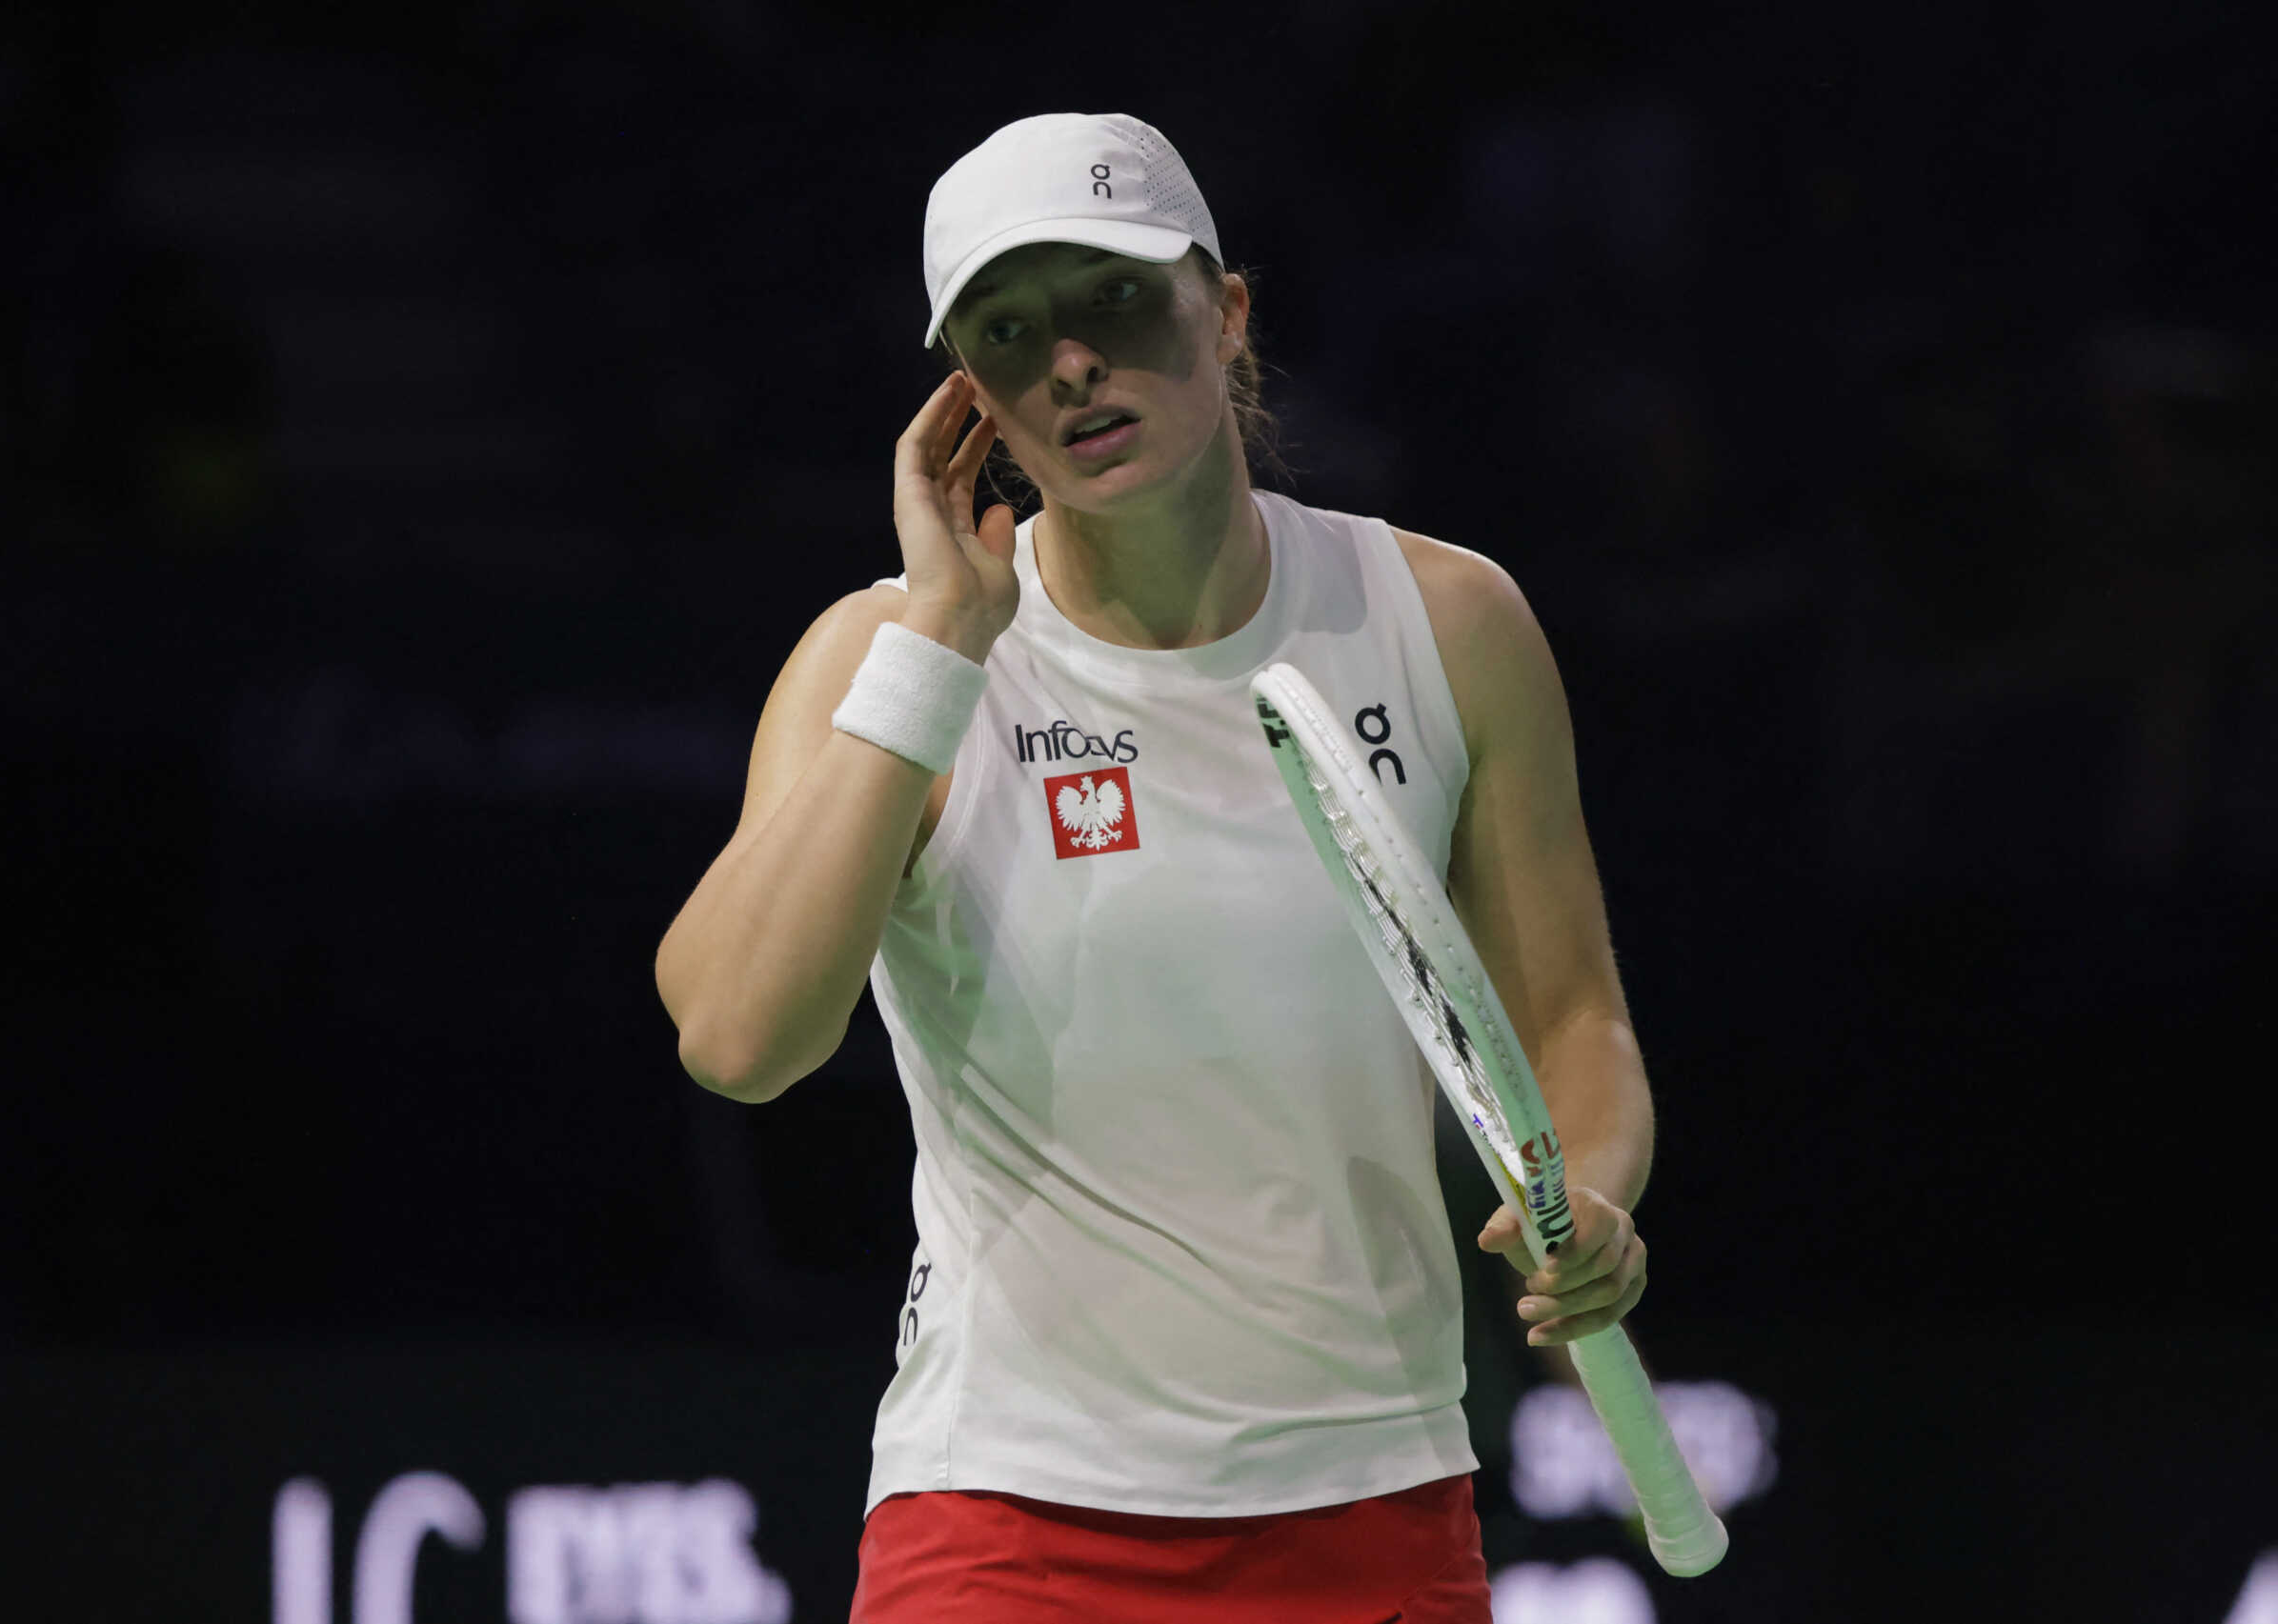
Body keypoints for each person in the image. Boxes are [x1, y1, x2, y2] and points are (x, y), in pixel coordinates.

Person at [655, 111, 1659, 1623]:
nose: (1070, 362)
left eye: (1116, 300)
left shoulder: (1444, 623)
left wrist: (1589, 1196)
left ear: (1227, 309)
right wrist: (940, 642)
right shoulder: (886, 656)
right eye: (1009, 331)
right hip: (1008, 1522)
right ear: (966, 399)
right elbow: (737, 1036)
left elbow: (1572, 1015)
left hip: (1372, 1505)